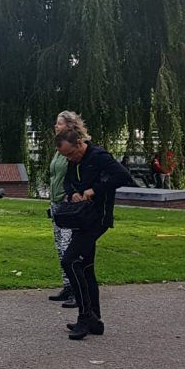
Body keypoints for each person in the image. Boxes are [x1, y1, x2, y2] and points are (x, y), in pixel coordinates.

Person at [54, 125, 134, 340]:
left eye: (71, 153)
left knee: (70, 261)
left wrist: (94, 190)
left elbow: (123, 176)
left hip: (97, 219)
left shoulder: (99, 156)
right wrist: (73, 194)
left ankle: (85, 316)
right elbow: (69, 182)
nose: (70, 159)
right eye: (65, 156)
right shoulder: (74, 161)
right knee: (86, 267)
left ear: (80, 144)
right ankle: (95, 320)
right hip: (81, 217)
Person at [47, 111, 89, 309]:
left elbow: (77, 174)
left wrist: (73, 193)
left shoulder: (76, 147)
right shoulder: (59, 149)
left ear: (69, 125)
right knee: (58, 244)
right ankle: (66, 285)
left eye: (59, 123)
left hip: (69, 204)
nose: (56, 126)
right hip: (56, 203)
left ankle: (76, 289)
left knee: (67, 247)